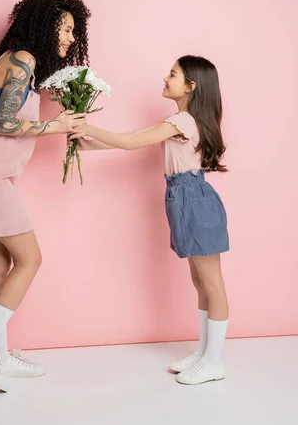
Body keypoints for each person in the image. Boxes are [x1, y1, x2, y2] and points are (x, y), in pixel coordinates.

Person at [0, 0, 91, 391]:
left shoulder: (17, 60)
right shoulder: (23, 60)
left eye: (72, 31)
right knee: (30, 260)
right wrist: (58, 126)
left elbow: (1, 118)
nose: (68, 37)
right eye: (64, 29)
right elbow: (5, 124)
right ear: (44, 25)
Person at [71, 55, 229, 385]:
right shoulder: (179, 120)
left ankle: (214, 361)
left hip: (194, 200)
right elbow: (133, 140)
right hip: (182, 198)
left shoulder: (184, 122)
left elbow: (130, 141)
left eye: (173, 74)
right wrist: (85, 144)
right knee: (200, 282)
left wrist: (87, 127)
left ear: (190, 86)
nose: (165, 78)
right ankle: (204, 354)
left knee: (211, 283)